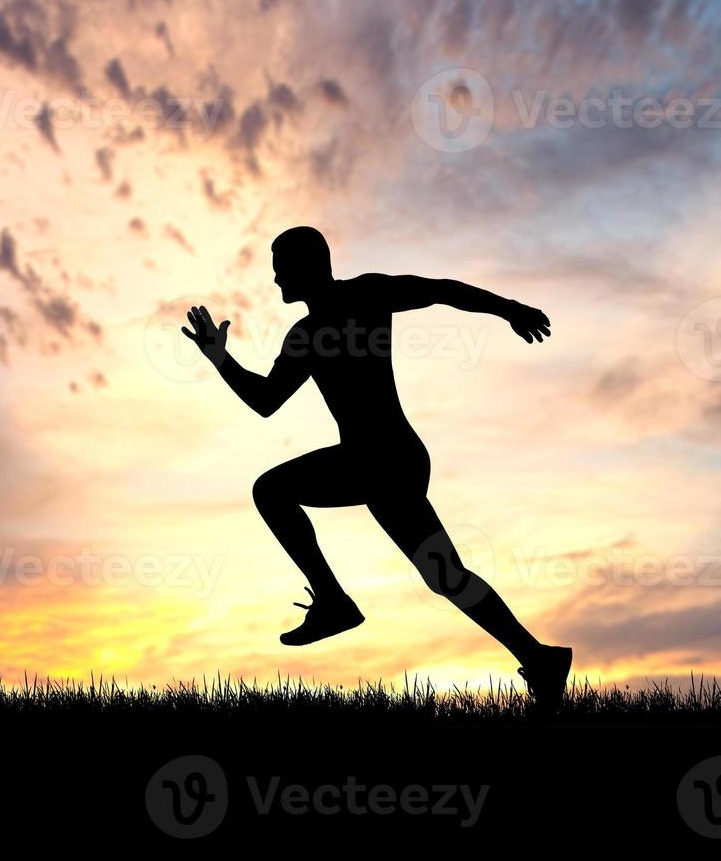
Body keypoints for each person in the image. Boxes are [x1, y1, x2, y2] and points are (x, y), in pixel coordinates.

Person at [181, 226, 572, 704]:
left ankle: (333, 603)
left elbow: (440, 291)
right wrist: (221, 359)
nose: (276, 277)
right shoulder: (307, 334)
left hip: (377, 458)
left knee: (271, 490)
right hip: (391, 461)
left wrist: (510, 310)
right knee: (446, 575)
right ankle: (540, 659)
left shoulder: (365, 295)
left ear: (308, 265)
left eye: (281, 266)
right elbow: (266, 400)